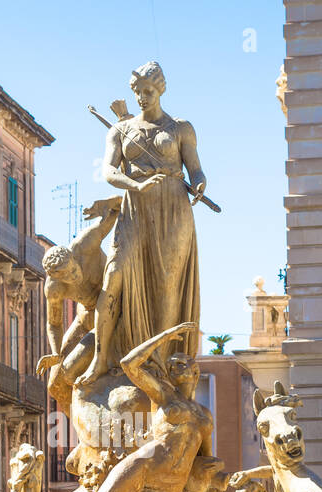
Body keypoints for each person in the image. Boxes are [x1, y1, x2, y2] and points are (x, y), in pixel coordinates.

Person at [0, 322, 210, 492]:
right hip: (143, 466)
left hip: (169, 488)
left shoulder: (204, 416)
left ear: (195, 371)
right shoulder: (164, 395)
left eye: (180, 364)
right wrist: (163, 336)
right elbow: (129, 364)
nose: (174, 368)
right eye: (171, 365)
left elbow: (204, 457)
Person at [79, 61, 206, 386]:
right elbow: (108, 171)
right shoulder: (119, 130)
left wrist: (201, 183)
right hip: (135, 208)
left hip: (174, 210)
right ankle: (100, 360)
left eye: (148, 91)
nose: (142, 98)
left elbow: (195, 169)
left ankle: (159, 367)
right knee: (115, 276)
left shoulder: (180, 128)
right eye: (138, 92)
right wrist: (134, 185)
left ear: (160, 89)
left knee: (168, 285)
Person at [38, 196, 123, 410]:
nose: (74, 276)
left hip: (113, 311)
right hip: (86, 319)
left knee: (68, 371)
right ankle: (84, 438)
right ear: (56, 277)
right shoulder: (54, 288)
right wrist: (56, 352)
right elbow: (54, 323)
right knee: (55, 385)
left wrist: (108, 203)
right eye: (67, 276)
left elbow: (116, 212)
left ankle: (97, 420)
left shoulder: (85, 243)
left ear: (74, 257)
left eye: (74, 269)